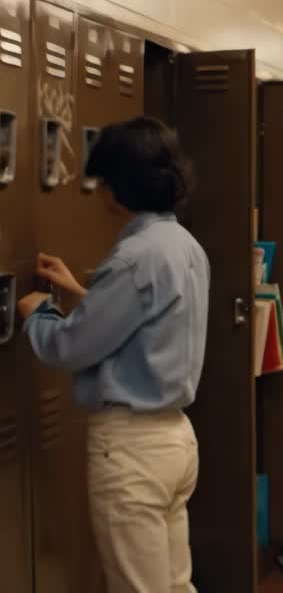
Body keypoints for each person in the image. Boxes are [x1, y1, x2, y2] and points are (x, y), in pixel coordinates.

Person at [17, 117, 208, 593]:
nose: (100, 193)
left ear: (120, 186)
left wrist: (38, 314)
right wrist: (87, 295)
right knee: (173, 585)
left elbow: (69, 347)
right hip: (175, 439)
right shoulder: (183, 245)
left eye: (103, 181)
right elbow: (151, 325)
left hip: (132, 447)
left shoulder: (134, 257)